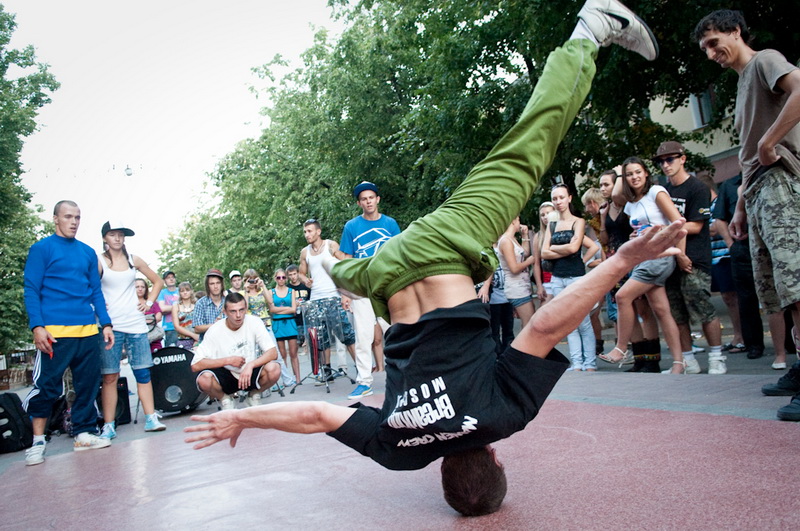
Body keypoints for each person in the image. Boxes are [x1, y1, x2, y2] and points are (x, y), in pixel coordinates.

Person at [186, 0, 673, 515]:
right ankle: (332, 261)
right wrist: (241, 417)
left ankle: (592, 27)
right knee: (348, 274)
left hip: (444, 248)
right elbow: (316, 416)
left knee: (531, 146)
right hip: (383, 273)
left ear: (495, 457)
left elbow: (547, 325)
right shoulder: (398, 451)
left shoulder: (501, 417)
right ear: (441, 470)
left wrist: (620, 262)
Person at [694, 10, 800, 418]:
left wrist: (771, 142)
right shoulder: (742, 84)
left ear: (735, 31)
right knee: (779, 291)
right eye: (705, 49)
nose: (711, 54)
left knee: (796, 286)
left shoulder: (765, 60)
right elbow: (747, 153)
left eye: (714, 42)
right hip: (756, 193)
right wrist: (738, 205)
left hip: (780, 183)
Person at [22, 200, 116, 466]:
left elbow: (96, 292)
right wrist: (37, 326)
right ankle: (37, 442)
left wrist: (106, 324)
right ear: (55, 219)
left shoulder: (87, 253)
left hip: (87, 330)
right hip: (53, 333)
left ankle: (83, 434)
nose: (73, 222)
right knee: (46, 387)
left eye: (77, 217)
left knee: (87, 385)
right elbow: (31, 289)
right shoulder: (41, 249)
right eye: (68, 216)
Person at [600, 156, 685, 373]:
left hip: (661, 256)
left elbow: (678, 223)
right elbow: (620, 200)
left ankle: (620, 348)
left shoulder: (656, 192)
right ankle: (678, 363)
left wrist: (681, 254)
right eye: (629, 174)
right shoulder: (630, 205)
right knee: (661, 310)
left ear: (646, 172)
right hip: (643, 258)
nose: (634, 177)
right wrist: (636, 237)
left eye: (638, 172)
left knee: (622, 296)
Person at [656, 141, 726, 374]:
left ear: (682, 159)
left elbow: (696, 226)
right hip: (669, 260)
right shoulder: (663, 191)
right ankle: (688, 360)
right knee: (677, 314)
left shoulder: (697, 188)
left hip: (694, 260)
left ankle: (716, 356)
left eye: (670, 159)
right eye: (661, 161)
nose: (665, 165)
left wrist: (667, 230)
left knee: (704, 309)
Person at [97, 221, 167, 438]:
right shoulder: (98, 261)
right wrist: (96, 307)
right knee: (110, 376)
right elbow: (88, 287)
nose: (117, 238)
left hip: (135, 323)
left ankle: (151, 417)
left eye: (121, 234)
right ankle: (109, 425)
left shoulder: (132, 259)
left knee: (143, 372)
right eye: (113, 234)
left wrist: (149, 302)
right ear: (105, 238)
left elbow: (157, 281)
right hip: (110, 325)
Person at [340, 181, 402, 399]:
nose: (368, 202)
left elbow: (399, 253)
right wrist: (345, 292)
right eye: (364, 199)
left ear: (378, 199)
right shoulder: (351, 227)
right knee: (363, 336)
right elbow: (347, 261)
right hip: (362, 288)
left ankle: (402, 377)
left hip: (387, 286)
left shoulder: (390, 224)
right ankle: (364, 382)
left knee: (395, 332)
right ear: (359, 203)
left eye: (371, 198)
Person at [542, 183, 599, 371]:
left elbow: (575, 248)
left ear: (569, 198)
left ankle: (590, 364)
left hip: (576, 277)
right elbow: (543, 252)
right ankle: (577, 363)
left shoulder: (578, 222)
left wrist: (556, 248)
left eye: (561, 197)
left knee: (583, 322)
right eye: (555, 198)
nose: (558, 201)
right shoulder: (552, 224)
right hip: (557, 278)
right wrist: (566, 249)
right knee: (568, 323)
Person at [191, 293, 282, 409]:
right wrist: (227, 361)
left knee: (274, 368)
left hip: (250, 372)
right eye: (233, 311)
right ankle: (225, 400)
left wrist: (251, 365)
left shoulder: (255, 322)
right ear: (225, 312)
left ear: (246, 309)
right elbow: (195, 365)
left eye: (241, 310)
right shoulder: (215, 330)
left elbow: (273, 352)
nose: (238, 315)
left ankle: (254, 395)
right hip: (227, 374)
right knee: (204, 379)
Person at [298, 219, 357, 383]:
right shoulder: (305, 252)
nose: (307, 235)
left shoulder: (331, 245)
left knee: (346, 335)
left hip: (333, 297)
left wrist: (345, 292)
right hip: (315, 299)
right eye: (305, 232)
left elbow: (345, 265)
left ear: (318, 231)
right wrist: (305, 280)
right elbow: (301, 273)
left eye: (310, 231)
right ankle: (327, 372)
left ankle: (361, 368)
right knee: (321, 339)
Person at [699, 174, 745, 354]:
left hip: (725, 256)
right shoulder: (704, 208)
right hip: (714, 257)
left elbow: (715, 228)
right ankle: (738, 336)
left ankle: (740, 337)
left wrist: (700, 228)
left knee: (731, 297)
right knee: (728, 298)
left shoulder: (718, 203)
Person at [497, 217, 537, 327]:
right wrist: (528, 262)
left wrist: (525, 236)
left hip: (523, 286)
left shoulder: (512, 239)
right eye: (518, 220)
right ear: (513, 221)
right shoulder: (506, 241)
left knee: (529, 322)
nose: (520, 223)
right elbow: (514, 268)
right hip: (516, 288)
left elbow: (524, 253)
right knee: (529, 324)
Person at [266, 268, 301, 385]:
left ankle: (298, 379)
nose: (281, 279)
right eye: (278, 277)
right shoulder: (271, 292)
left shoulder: (291, 291)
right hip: (278, 324)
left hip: (290, 323)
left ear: (286, 278)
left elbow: (294, 309)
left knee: (293, 353)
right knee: (282, 354)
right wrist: (287, 309)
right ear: (275, 278)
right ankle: (286, 380)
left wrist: (279, 310)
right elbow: (271, 309)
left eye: (283, 277)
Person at [532, 201, 556, 306]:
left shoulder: (563, 230)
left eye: (548, 213)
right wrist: (539, 286)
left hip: (564, 276)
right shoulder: (538, 236)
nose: (545, 217)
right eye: (542, 215)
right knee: (544, 311)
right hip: (547, 281)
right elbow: (536, 264)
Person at [194, 269, 226, 342]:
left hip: (226, 342)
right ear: (207, 286)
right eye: (212, 284)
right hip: (207, 343)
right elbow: (197, 328)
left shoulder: (229, 301)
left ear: (222, 284)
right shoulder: (201, 303)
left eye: (218, 283)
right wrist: (214, 325)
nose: (215, 286)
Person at [136, 278, 164, 353]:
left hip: (154, 337)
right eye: (137, 287)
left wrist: (143, 320)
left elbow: (159, 317)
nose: (140, 289)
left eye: (142, 287)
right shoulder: (129, 303)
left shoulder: (152, 302)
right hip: (136, 338)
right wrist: (150, 319)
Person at [286, 264, 311, 348]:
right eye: (290, 275)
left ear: (298, 274)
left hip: (306, 319)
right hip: (294, 320)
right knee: (296, 345)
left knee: (309, 345)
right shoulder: (287, 289)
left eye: (294, 274)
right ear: (288, 276)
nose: (293, 277)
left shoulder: (305, 286)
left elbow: (311, 300)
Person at [172, 281, 199, 350]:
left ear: (191, 291)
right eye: (182, 291)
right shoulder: (176, 306)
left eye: (187, 290)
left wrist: (197, 338)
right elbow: (176, 326)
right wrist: (193, 335)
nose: (185, 292)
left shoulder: (198, 304)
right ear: (179, 293)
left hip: (198, 339)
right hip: (183, 340)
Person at [157, 270, 180, 347]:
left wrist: (169, 308)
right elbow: (162, 308)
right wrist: (178, 307)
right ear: (164, 281)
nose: (171, 279)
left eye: (172, 277)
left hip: (184, 325)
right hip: (169, 327)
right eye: (168, 278)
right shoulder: (162, 293)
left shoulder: (181, 290)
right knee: (171, 350)